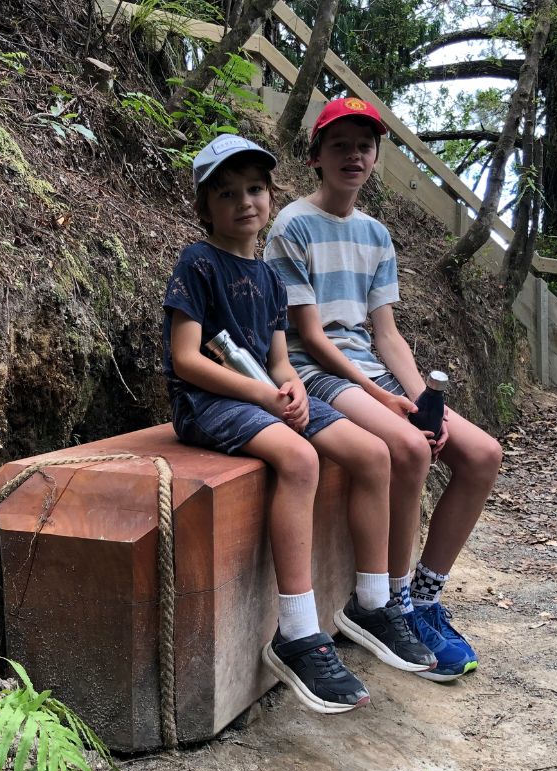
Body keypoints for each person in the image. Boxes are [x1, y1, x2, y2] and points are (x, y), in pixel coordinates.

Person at [162, 133, 436, 714]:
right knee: (302, 458)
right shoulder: (197, 263)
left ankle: (372, 601)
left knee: (373, 454)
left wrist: (286, 385)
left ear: (269, 194)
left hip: (263, 396)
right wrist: (264, 391)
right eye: (228, 193)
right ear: (205, 207)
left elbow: (282, 356)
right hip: (207, 403)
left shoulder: (269, 277)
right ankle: (297, 631)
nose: (246, 203)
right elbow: (186, 359)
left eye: (256, 188)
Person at [264, 98, 503, 682]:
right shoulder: (291, 225)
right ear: (316, 155)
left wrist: (423, 400)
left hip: (372, 369)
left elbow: (388, 333)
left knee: (481, 455)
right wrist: (382, 397)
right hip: (318, 372)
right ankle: (390, 603)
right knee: (413, 447)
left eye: (364, 146)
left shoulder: (375, 233)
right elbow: (312, 337)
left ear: (375, 157)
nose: (353, 155)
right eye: (339, 145)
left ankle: (423, 595)